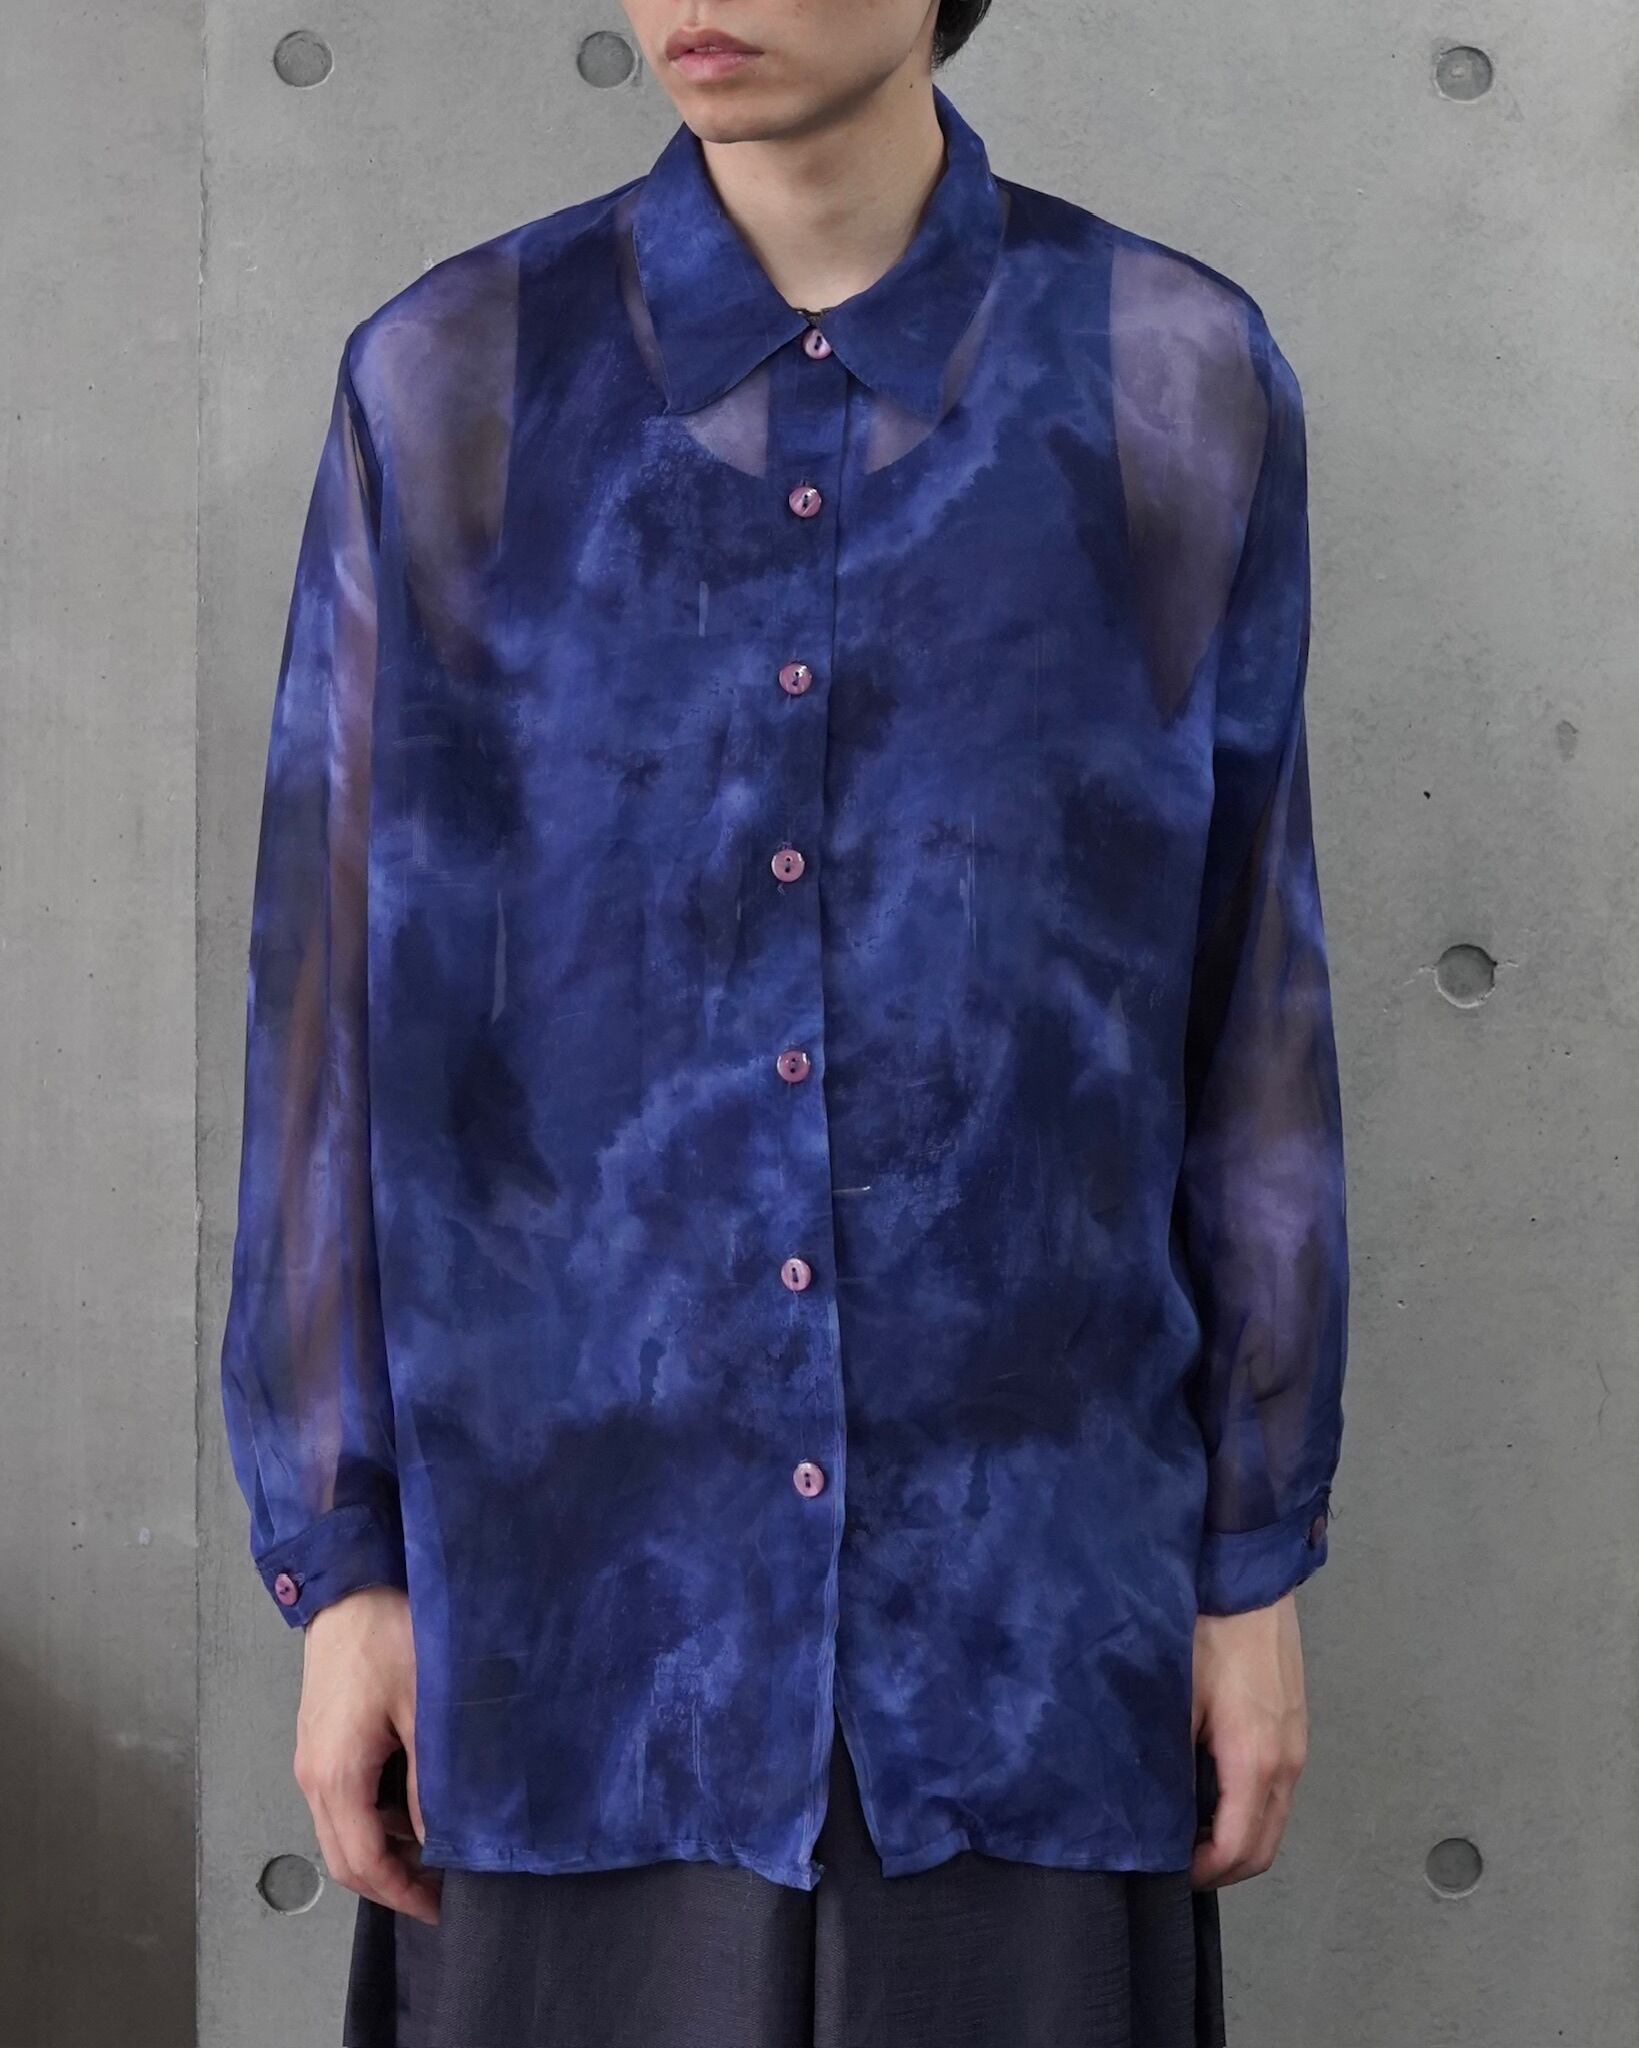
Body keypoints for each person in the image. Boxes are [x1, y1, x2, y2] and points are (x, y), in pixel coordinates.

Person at [218, 2, 1350, 2042]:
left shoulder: (1168, 376)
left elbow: (1246, 1001)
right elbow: (329, 1018)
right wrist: (347, 1558)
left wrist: (1247, 1562)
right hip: (568, 1624)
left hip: (1023, 1627)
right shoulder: (455, 379)